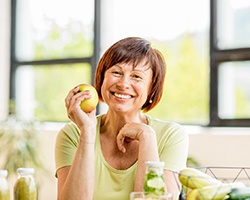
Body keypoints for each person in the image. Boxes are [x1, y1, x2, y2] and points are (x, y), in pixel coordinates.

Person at [55, 37, 189, 200]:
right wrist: (87, 133)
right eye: (116, 72)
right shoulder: (73, 134)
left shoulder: (171, 136)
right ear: (102, 78)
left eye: (136, 76)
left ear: (152, 87)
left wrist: (146, 137)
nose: (123, 84)